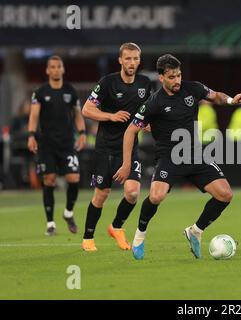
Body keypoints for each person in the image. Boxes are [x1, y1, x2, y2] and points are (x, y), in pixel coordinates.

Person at [113, 54, 241, 260]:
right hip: (169, 157)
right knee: (156, 196)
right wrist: (126, 164)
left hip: (194, 154)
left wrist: (230, 99)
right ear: (161, 78)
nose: (177, 81)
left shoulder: (193, 88)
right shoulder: (154, 103)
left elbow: (215, 95)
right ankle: (140, 235)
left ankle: (196, 231)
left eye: (179, 75)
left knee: (225, 195)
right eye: (172, 77)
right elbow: (130, 131)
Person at [80, 43, 152, 252]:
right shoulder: (107, 82)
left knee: (132, 193)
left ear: (139, 60)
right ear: (120, 60)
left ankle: (117, 227)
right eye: (127, 58)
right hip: (106, 147)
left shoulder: (145, 83)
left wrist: (148, 123)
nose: (132, 63)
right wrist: (110, 116)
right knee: (102, 194)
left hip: (130, 148)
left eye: (135, 59)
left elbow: (148, 111)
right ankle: (88, 237)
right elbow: (87, 109)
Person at [27, 55, 86, 236]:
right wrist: (31, 136)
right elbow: (34, 116)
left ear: (63, 69)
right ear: (47, 70)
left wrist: (82, 133)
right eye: (52, 67)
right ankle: (51, 223)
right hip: (47, 144)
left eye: (58, 66)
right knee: (49, 180)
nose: (55, 69)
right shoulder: (40, 92)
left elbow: (77, 114)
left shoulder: (70, 91)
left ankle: (68, 213)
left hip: (67, 143)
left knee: (74, 178)